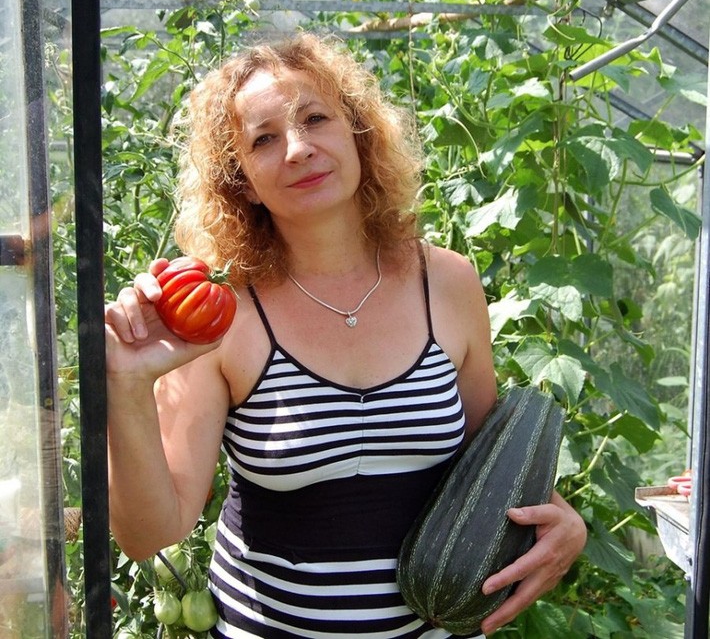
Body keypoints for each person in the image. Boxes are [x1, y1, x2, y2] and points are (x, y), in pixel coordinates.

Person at [104, 32, 587, 638]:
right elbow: (150, 533)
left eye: (315, 119)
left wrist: (566, 523)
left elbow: (490, 466)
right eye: (263, 139)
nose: (299, 149)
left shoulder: (446, 283)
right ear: (243, 181)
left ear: (359, 134)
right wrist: (126, 384)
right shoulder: (221, 315)